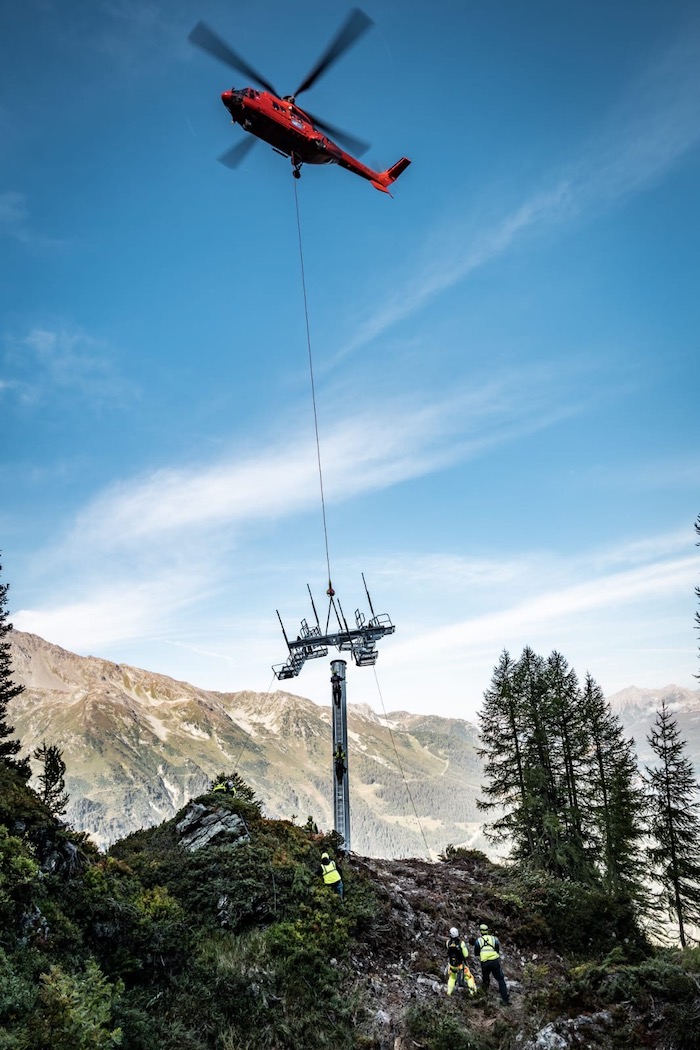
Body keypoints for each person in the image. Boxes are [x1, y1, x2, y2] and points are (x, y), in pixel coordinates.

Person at [471, 923, 509, 1004]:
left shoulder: (479, 941)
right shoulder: (494, 939)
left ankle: (483, 998)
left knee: (485, 979)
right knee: (500, 980)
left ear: (481, 931)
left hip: (485, 962)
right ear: (487, 931)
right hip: (494, 960)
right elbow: (497, 949)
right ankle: (505, 1000)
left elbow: (476, 953)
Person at [445, 927, 477, 997]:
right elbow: (466, 954)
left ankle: (448, 993)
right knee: (469, 977)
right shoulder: (461, 943)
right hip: (461, 965)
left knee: (452, 978)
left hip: (452, 965)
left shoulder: (448, 943)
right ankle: (473, 992)